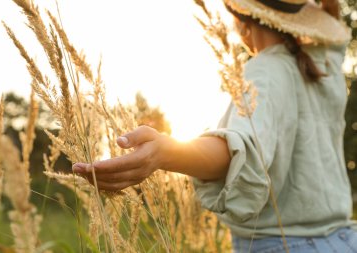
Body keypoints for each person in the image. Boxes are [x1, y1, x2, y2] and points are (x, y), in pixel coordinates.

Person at [73, 0, 357, 252]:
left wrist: (166, 151)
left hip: (283, 244)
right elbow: (332, 25)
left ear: (243, 23)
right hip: (345, 239)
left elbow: (241, 146)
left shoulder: (265, 71)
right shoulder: (324, 67)